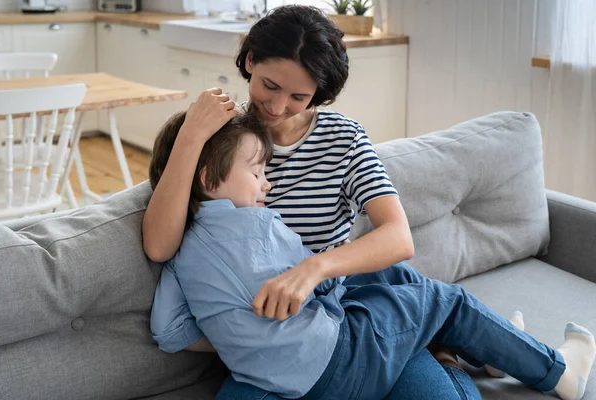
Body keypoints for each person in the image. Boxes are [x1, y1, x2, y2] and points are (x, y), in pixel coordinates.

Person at [143, 4, 481, 398]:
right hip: (282, 350)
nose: (276, 106)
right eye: (269, 85)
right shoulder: (220, 138)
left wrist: (311, 271)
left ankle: (446, 352)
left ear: (318, 93)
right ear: (250, 60)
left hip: (348, 316)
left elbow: (398, 238)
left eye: (298, 96)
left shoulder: (344, 139)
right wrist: (190, 137)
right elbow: (159, 245)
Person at [149, 110, 596, 400]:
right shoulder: (259, 224)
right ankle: (560, 373)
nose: (267, 183)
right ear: (207, 177)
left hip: (275, 377)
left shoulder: (177, 254)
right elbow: (314, 288)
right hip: (341, 357)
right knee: (446, 301)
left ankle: (484, 349)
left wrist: (237, 335)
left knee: (387, 280)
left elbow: (169, 332)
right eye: (256, 171)